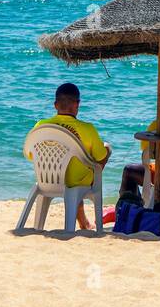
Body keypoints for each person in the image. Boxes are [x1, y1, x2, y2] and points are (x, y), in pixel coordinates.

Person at [26, 82, 112, 230]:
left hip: (47, 180)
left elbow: (29, 155)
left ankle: (83, 222)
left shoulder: (40, 126)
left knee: (72, 169)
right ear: (77, 104)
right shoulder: (87, 129)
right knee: (105, 152)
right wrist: (106, 150)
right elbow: (100, 157)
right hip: (77, 182)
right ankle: (83, 219)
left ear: (55, 105)